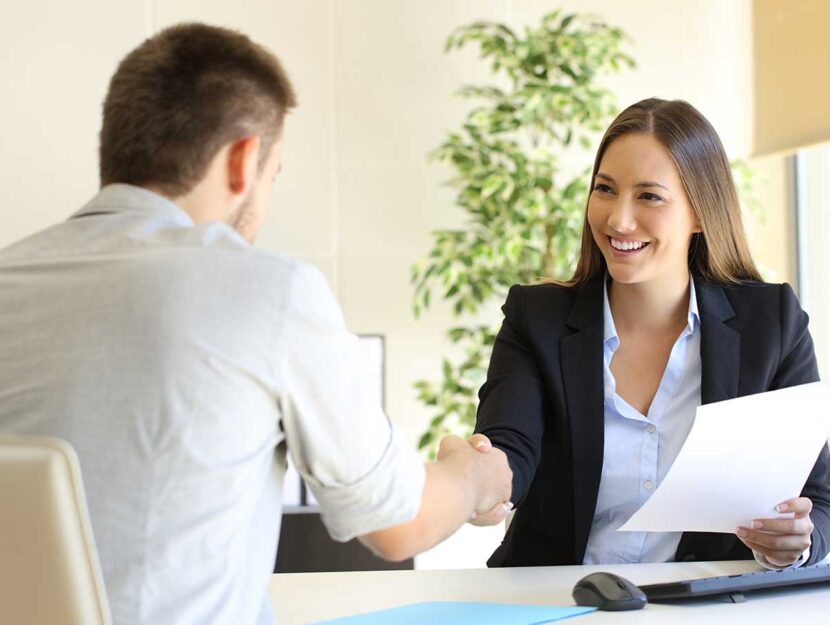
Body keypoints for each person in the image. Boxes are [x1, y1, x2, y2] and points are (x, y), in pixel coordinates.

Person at [0, 24, 511, 625]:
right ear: (243, 159)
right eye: (274, 173)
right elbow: (398, 525)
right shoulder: (266, 292)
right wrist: (476, 475)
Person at [475, 98, 830, 569]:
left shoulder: (772, 323)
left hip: (707, 606)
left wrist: (798, 543)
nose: (618, 220)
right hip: (557, 600)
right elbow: (509, 448)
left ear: (700, 213)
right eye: (605, 189)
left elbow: (819, 498)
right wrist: (478, 480)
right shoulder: (535, 317)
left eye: (649, 196)